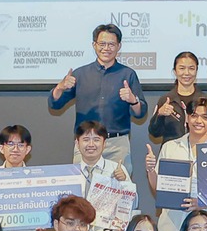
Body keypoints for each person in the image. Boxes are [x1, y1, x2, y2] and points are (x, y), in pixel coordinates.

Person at [49, 22, 148, 162]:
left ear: (119, 46)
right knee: (82, 177)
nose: (106, 48)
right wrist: (60, 87)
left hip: (117, 145)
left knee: (119, 177)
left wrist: (133, 100)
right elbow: (55, 104)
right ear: (94, 45)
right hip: (86, 142)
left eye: (111, 44)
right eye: (102, 44)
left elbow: (140, 113)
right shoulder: (80, 74)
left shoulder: (128, 74)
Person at [150, 94, 207, 231]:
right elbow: (158, 191)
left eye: (205, 117)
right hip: (171, 229)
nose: (198, 121)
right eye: (194, 116)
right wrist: (150, 170)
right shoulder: (170, 147)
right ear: (187, 118)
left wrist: (202, 203)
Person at [69, 117, 138, 231]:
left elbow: (133, 205)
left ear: (104, 143)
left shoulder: (117, 169)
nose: (91, 144)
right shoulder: (69, 173)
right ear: (77, 143)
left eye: (96, 140)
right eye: (86, 139)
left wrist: (123, 183)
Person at [146, 51, 207, 147]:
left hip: (199, 151)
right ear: (175, 72)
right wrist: (160, 115)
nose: (186, 73)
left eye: (191, 68)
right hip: (172, 152)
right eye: (182, 68)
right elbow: (154, 133)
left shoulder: (206, 100)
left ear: (196, 71)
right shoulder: (166, 100)